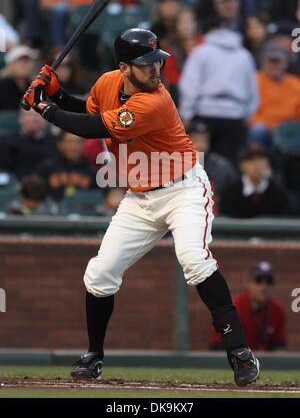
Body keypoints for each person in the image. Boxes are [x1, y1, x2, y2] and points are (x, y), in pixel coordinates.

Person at [21, 28, 259, 386]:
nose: (155, 69)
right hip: (140, 198)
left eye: (157, 61)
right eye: (145, 64)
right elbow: (86, 109)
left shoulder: (156, 101)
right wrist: (55, 93)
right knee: (100, 275)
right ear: (124, 67)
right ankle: (94, 355)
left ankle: (239, 351)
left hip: (184, 191)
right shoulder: (106, 83)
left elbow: (92, 128)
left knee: (193, 260)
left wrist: (44, 106)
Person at [179, 16, 258, 165]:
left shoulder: (201, 51)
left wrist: (187, 113)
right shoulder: (244, 55)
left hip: (205, 113)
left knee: (198, 164)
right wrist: (246, 114)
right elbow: (252, 91)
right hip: (234, 116)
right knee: (229, 165)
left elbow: (189, 85)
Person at [211, 261, 287, 351]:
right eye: (258, 280)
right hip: (236, 361)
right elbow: (218, 347)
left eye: (269, 281)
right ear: (249, 283)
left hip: (263, 363)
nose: (264, 286)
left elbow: (279, 347)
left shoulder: (277, 311)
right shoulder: (234, 308)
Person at [220, 146, 289, 218]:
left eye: (260, 159)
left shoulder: (278, 193)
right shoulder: (231, 192)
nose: (256, 165)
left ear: (268, 163)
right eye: (250, 160)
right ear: (242, 165)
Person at [0, 108, 57, 180]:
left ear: (45, 120)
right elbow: (4, 170)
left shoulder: (56, 142)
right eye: (29, 115)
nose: (34, 119)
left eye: (38, 115)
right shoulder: (6, 142)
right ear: (20, 118)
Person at [0, 45, 38, 111]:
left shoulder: (34, 86)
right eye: (20, 61)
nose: (24, 65)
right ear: (11, 64)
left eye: (27, 61)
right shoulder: (2, 85)